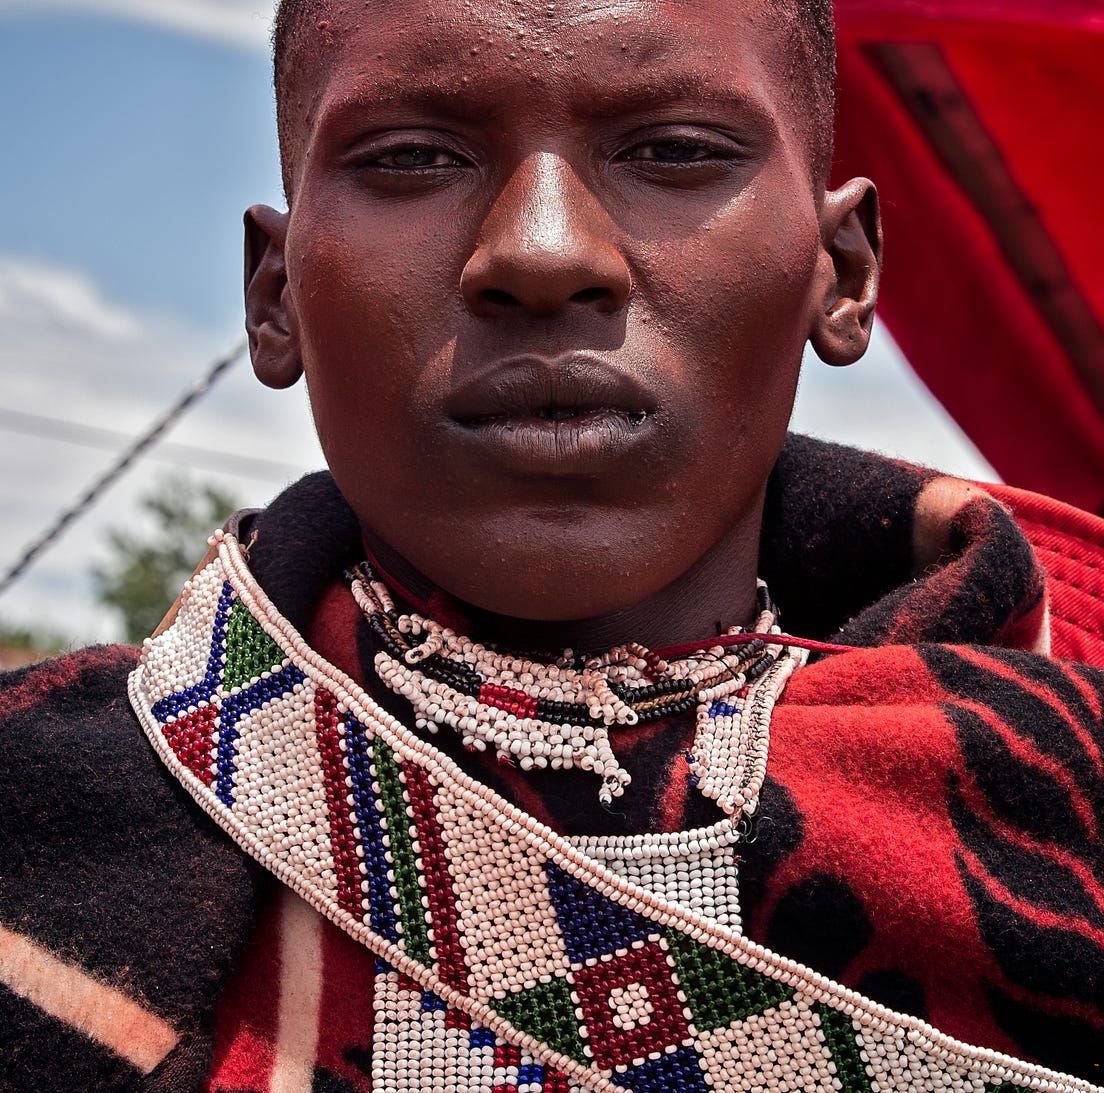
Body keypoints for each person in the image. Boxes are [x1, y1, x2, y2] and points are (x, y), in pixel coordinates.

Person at [1, 0, 1102, 1090]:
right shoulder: (43, 824)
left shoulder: (1066, 816)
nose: (541, 252)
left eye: (675, 151)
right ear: (275, 293)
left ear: (843, 270)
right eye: (413, 158)